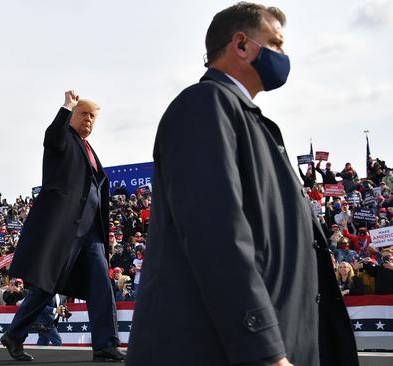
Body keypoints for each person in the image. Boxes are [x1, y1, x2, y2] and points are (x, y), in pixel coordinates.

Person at [127, 3, 357, 366]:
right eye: (276, 43)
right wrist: (264, 348)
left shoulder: (246, 119)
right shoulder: (204, 105)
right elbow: (216, 234)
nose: (284, 55)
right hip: (221, 352)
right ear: (242, 45)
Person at [2, 90, 124, 362]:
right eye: (83, 114)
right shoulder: (64, 139)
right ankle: (14, 335)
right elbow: (52, 138)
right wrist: (66, 107)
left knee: (102, 285)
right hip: (64, 230)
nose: (89, 120)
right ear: (71, 117)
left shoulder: (90, 149)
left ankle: (105, 344)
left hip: (91, 234)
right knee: (46, 287)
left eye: (93, 116)